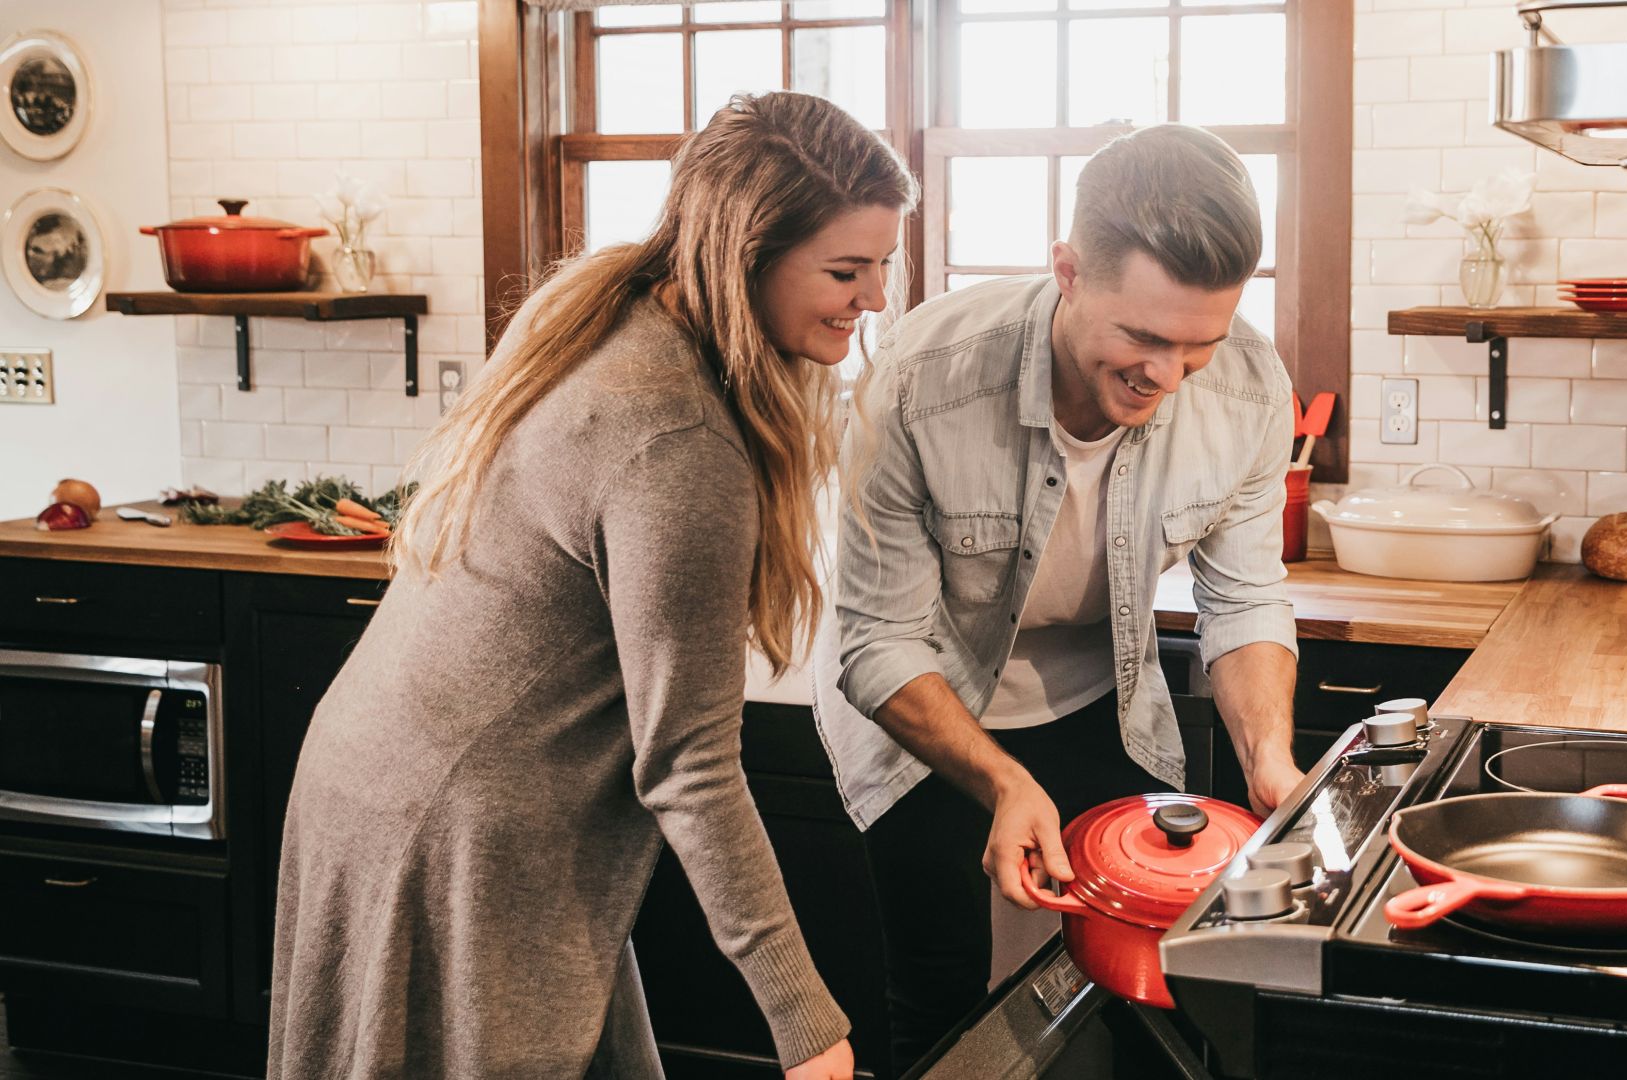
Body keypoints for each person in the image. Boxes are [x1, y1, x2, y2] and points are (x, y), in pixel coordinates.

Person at [269, 91, 915, 1080]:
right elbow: (690, 764)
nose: (871, 297)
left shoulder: (617, 314)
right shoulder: (677, 438)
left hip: (385, 781)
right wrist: (806, 1024)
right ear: (745, 253)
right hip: (456, 830)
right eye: (844, 270)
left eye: (882, 265)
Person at [815, 123, 1306, 1076]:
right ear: (1068, 272)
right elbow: (878, 640)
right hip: (923, 705)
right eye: (1144, 337)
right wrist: (1003, 784)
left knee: (1132, 981)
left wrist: (1270, 759)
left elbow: (1245, 597)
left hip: (1099, 698)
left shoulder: (1249, 389)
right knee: (943, 989)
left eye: (1199, 345)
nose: (1167, 377)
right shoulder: (920, 379)